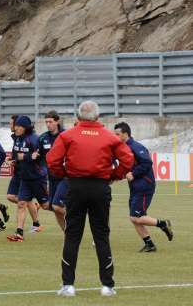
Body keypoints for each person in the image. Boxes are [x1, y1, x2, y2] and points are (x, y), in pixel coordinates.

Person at [48, 101, 134, 297]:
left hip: (76, 186)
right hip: (100, 187)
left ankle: (68, 285)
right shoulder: (109, 137)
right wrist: (114, 175)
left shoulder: (67, 135)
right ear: (97, 117)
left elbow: (52, 160)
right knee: (101, 236)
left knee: (72, 235)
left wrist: (65, 174)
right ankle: (107, 286)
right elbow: (128, 159)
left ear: (78, 117)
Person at [114, 122, 173, 252]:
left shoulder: (136, 146)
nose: (115, 136)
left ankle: (163, 224)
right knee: (134, 218)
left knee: (136, 217)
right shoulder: (122, 148)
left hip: (144, 185)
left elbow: (147, 162)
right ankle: (149, 244)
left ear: (125, 134)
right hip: (135, 187)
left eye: (117, 134)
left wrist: (133, 174)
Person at [7, 115, 48, 242]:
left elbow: (39, 157)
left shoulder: (35, 139)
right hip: (25, 178)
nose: (16, 128)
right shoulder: (18, 139)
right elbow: (17, 156)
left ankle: (65, 213)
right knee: (21, 204)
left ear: (25, 127)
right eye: (16, 125)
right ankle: (19, 233)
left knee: (47, 205)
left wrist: (23, 157)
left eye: (19, 126)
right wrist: (12, 160)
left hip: (37, 177)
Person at [38, 110, 67, 231]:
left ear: (57, 121)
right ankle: (67, 232)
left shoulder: (66, 136)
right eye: (46, 122)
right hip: (51, 177)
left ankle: (75, 222)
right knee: (55, 209)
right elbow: (40, 158)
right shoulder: (43, 138)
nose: (48, 124)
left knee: (57, 206)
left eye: (50, 121)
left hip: (66, 177)